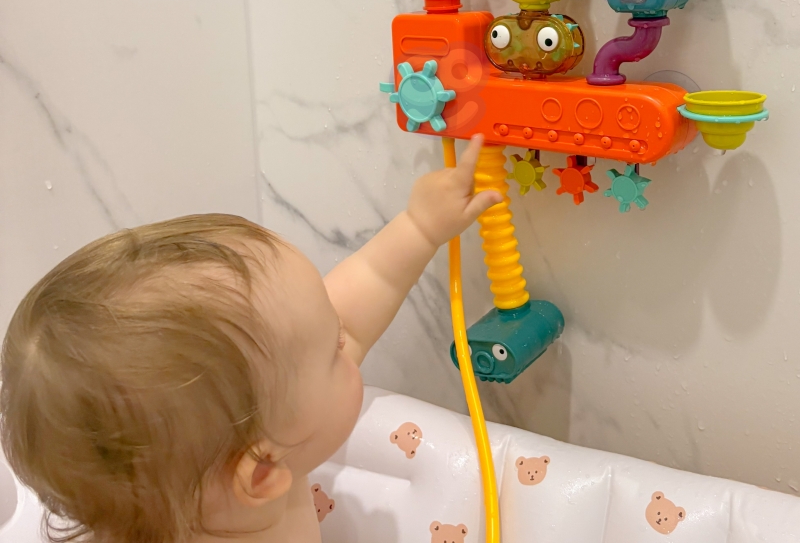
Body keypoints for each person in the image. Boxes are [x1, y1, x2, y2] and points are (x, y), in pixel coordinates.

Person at [0, 136, 501, 543]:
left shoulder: (243, 460)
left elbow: (355, 304)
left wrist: (419, 228)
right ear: (262, 473)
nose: (345, 337)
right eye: (334, 351)